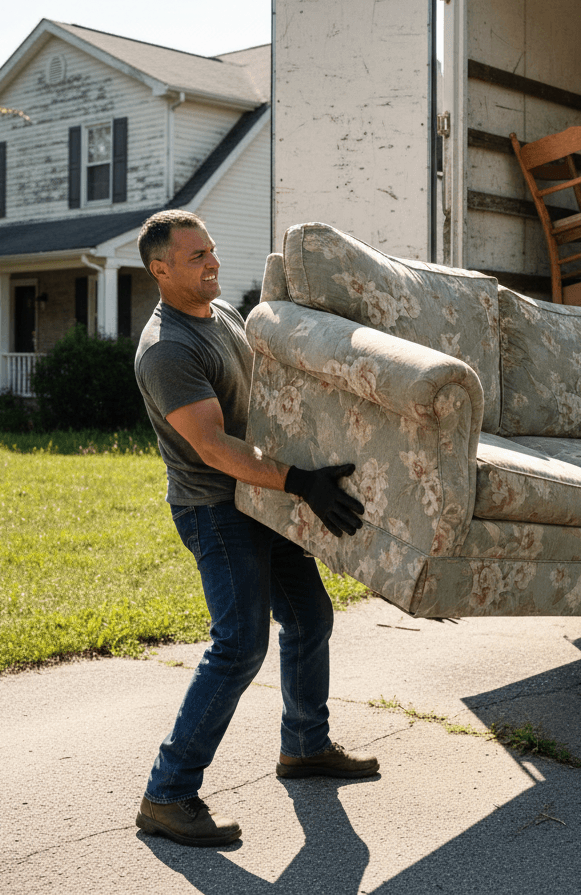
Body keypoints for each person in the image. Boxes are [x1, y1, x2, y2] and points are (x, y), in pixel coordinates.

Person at [132, 209, 376, 848]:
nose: (213, 263)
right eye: (195, 258)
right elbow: (213, 447)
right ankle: (168, 794)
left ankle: (304, 747)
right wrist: (303, 483)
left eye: (211, 250)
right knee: (239, 645)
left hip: (262, 497)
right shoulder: (168, 350)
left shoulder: (224, 319)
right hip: (216, 507)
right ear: (160, 271)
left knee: (310, 617)